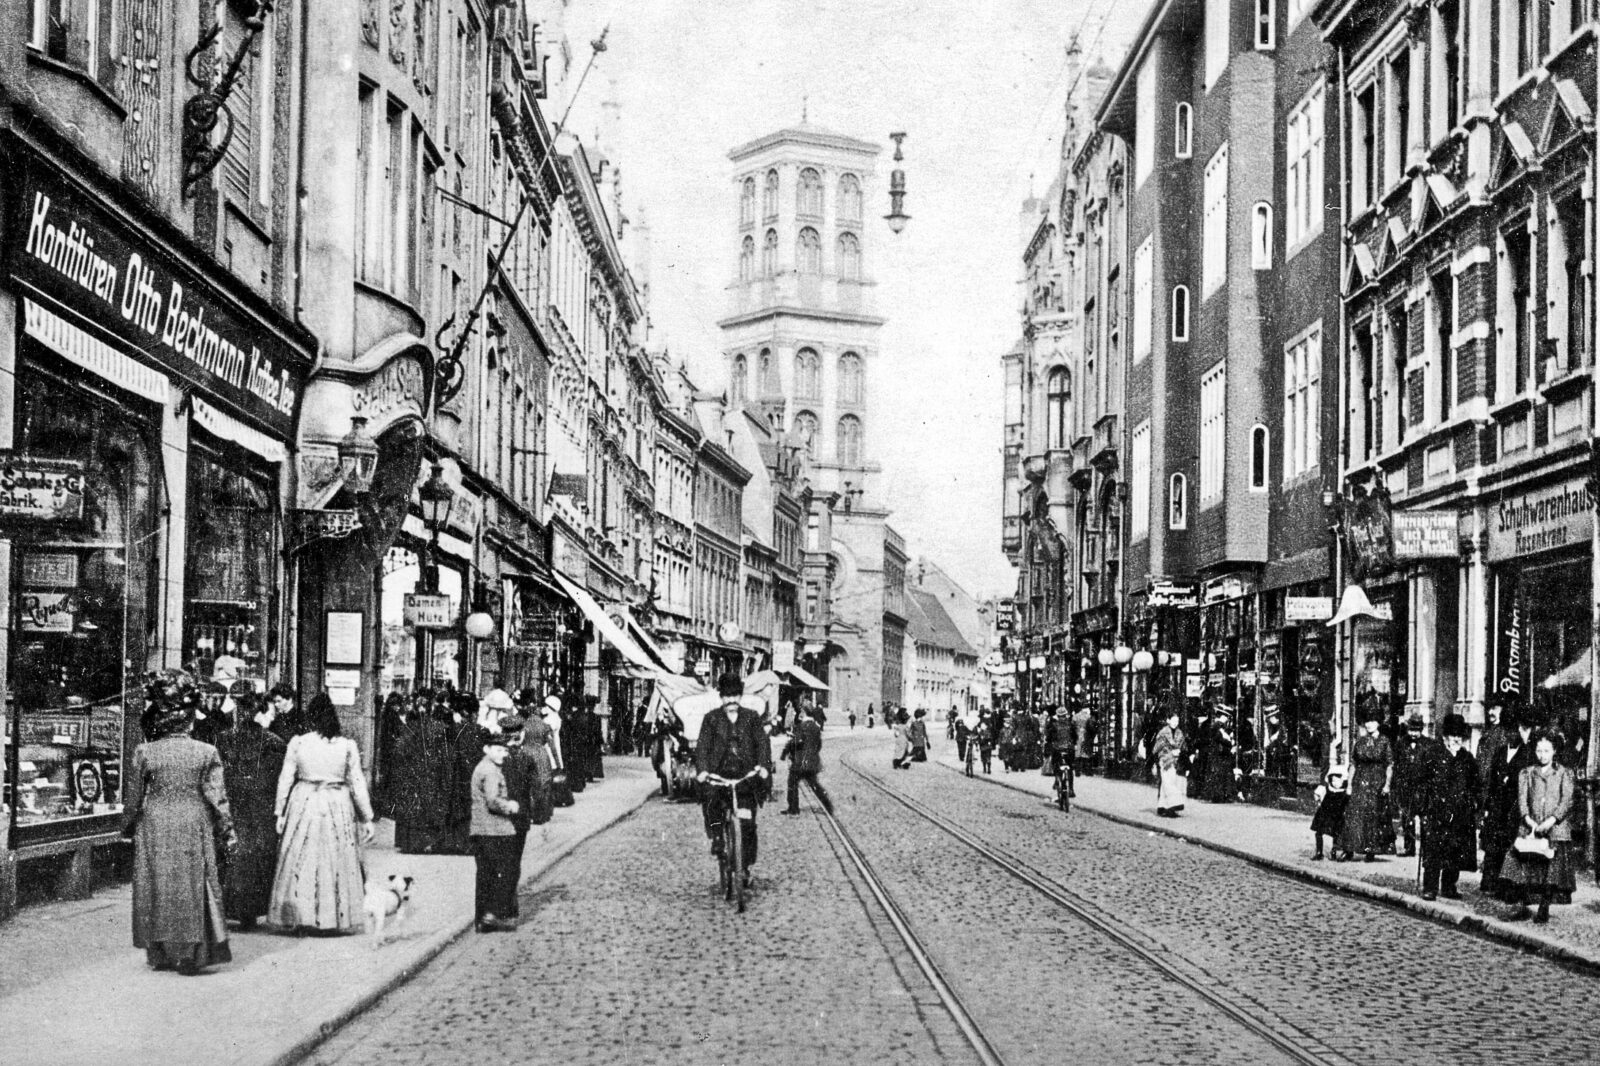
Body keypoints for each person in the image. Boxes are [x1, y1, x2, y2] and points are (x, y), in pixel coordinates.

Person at [121, 671, 236, 975]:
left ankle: (159, 952)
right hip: (192, 818)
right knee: (191, 885)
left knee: (156, 885)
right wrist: (227, 831)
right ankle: (190, 952)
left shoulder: (145, 752)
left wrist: (127, 827)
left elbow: (133, 796)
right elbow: (217, 798)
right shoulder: (206, 752)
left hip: (155, 820)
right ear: (189, 720)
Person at [267, 694, 375, 933]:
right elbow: (358, 784)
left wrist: (280, 811)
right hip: (337, 803)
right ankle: (330, 918)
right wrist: (367, 817)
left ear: (311, 717)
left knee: (300, 858)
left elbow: (285, 779)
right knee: (335, 860)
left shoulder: (298, 743)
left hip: (303, 801)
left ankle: (300, 915)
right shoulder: (347, 746)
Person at [215, 690, 286, 929]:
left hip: (233, 803)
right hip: (260, 806)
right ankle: (251, 911)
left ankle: (228, 907)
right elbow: (274, 778)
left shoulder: (223, 738)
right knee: (258, 854)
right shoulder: (274, 742)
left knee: (233, 851)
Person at [695, 674, 773, 886]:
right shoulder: (711, 719)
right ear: (721, 697)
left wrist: (764, 767)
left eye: (735, 696)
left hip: (744, 777)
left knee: (748, 823)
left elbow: (762, 744)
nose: (731, 700)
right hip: (719, 775)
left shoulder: (752, 717)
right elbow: (702, 747)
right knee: (710, 801)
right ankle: (718, 837)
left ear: (741, 696)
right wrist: (702, 770)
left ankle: (745, 866)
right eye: (727, 696)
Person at [1502, 732, 1576, 924]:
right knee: (1524, 868)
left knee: (1551, 870)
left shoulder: (1564, 773)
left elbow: (1566, 801)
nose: (1542, 755)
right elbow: (1522, 800)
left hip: (1555, 828)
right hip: (1531, 827)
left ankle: (1544, 906)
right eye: (1539, 750)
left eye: (1546, 751)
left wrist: (1551, 820)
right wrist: (1530, 821)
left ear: (1554, 752)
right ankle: (1524, 907)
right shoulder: (1527, 773)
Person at [1416, 713, 1478, 901]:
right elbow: (1421, 783)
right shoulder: (1432, 755)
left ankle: (1449, 886)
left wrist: (1473, 802)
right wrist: (1422, 808)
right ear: (1445, 738)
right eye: (1453, 737)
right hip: (1436, 811)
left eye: (1460, 737)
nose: (1457, 741)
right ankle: (1430, 887)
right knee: (1434, 850)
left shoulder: (1467, 759)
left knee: (1455, 851)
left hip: (1460, 812)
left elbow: (1475, 784)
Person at [469, 723, 522, 932]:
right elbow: (492, 800)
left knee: (485, 875)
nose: (503, 754)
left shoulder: (483, 767)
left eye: (505, 750)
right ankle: (493, 913)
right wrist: (509, 806)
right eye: (498, 750)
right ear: (487, 749)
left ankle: (482, 918)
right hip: (495, 830)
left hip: (481, 829)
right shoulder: (490, 771)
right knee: (507, 872)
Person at [1481, 715, 1535, 900]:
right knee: (1494, 844)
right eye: (1508, 732)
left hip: (1514, 807)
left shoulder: (1527, 754)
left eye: (1515, 731)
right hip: (1497, 805)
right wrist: (1487, 804)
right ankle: (1490, 882)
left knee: (1510, 846)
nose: (1511, 735)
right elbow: (1491, 780)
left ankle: (1506, 887)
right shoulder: (1500, 752)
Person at [1338, 711, 1395, 863]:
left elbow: (1389, 764)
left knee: (1373, 818)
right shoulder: (1360, 742)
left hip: (1376, 782)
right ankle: (1348, 850)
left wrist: (1387, 784)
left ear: (1378, 723)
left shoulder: (1384, 741)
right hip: (1360, 782)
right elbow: (1353, 764)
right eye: (1367, 722)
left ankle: (1370, 851)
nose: (1369, 724)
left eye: (1373, 721)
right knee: (1353, 816)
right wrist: (1349, 784)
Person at [781, 704, 833, 815]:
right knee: (815, 785)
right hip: (812, 762)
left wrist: (786, 751)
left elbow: (796, 742)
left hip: (800, 762)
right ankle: (828, 805)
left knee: (792, 783)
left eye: (801, 712)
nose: (800, 713)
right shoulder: (816, 726)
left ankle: (793, 808)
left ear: (804, 713)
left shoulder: (802, 726)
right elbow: (819, 745)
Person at [1391, 713, 1428, 857]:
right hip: (1406, 787)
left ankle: (1426, 848)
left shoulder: (1428, 744)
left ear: (1421, 730)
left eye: (1417, 730)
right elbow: (1397, 765)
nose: (1413, 733)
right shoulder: (1401, 744)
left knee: (1425, 820)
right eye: (1411, 730)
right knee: (1407, 818)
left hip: (1423, 788)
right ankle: (1409, 848)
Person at [1310, 765, 1351, 861]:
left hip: (1337, 811)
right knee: (1319, 831)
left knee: (1336, 832)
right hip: (1325, 809)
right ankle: (1319, 852)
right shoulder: (1328, 787)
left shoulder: (1344, 793)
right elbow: (1319, 792)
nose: (1335, 783)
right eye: (1333, 780)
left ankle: (1334, 852)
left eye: (1338, 780)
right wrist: (1318, 795)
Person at [1151, 708, 1187, 817]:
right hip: (1165, 760)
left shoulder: (1179, 733)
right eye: (1174, 720)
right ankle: (1173, 805)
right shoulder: (1163, 733)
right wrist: (1171, 752)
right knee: (1168, 783)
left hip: (1175, 761)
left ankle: (1162, 806)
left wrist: (1180, 752)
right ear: (1168, 720)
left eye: (1177, 721)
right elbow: (1157, 748)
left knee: (1167, 782)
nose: (1176, 723)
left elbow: (1183, 746)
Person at [1045, 705, 1077, 798]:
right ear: (1066, 715)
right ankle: (1071, 789)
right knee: (1070, 768)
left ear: (1057, 716)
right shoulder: (1070, 724)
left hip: (1057, 749)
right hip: (1069, 749)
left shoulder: (1054, 725)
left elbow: (1049, 738)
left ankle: (1056, 781)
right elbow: (1075, 737)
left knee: (1055, 765)